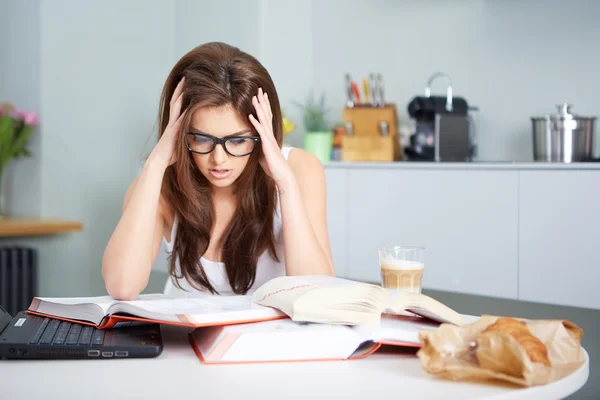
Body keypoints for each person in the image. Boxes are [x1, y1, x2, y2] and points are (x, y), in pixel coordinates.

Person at [102, 42, 335, 300]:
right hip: (188, 337)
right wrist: (155, 164)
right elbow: (121, 286)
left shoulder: (300, 170)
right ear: (179, 134)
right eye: (202, 139)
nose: (219, 160)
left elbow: (318, 295)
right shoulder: (157, 185)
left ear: (262, 134)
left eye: (237, 141)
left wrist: (286, 185)